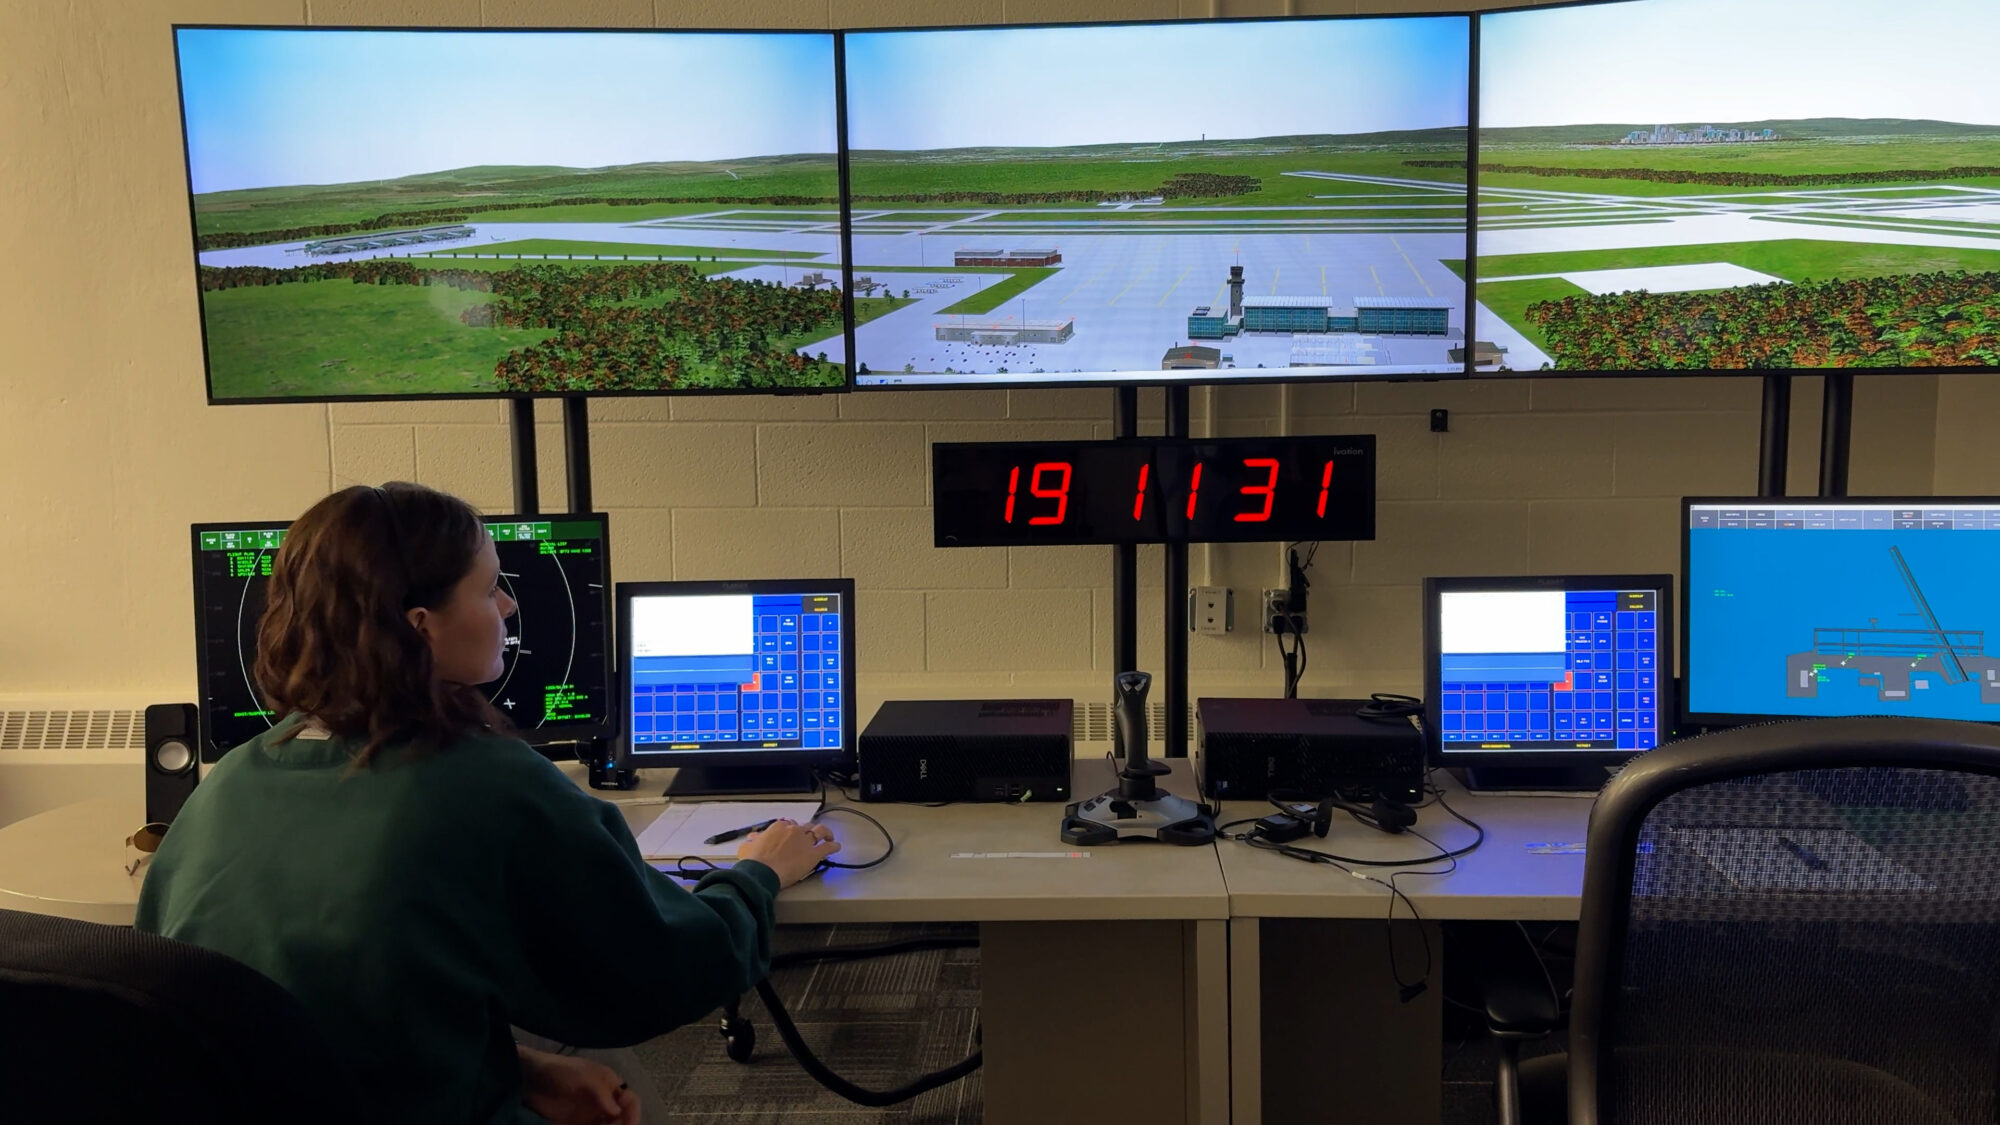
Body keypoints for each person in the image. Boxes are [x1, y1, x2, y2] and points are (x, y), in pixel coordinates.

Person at [136, 482, 839, 1124]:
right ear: (421, 626)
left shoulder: (228, 783)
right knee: (628, 1086)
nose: (507, 606)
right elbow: (664, 970)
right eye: (489, 588)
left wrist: (522, 1067)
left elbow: (313, 1012)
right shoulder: (489, 783)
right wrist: (758, 874)